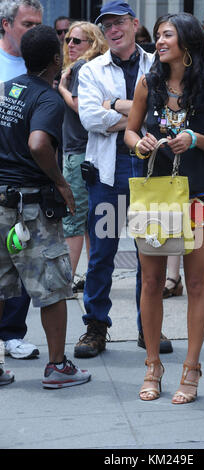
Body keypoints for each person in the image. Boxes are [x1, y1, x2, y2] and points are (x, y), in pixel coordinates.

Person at [124, 12, 204, 403]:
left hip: (197, 198)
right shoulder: (146, 83)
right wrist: (139, 144)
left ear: (187, 42)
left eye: (167, 35)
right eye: (159, 36)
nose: (159, 42)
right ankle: (152, 365)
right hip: (155, 196)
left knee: (197, 283)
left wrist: (194, 137)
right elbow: (130, 132)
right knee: (151, 283)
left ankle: (192, 368)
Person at [75, 0, 173, 358]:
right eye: (107, 25)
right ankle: (95, 327)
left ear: (134, 24)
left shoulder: (158, 63)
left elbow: (165, 116)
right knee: (102, 254)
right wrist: (138, 114)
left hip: (153, 173)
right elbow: (89, 119)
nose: (113, 30)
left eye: (119, 23)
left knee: (151, 252)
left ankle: (148, 327)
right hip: (108, 174)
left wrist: (113, 103)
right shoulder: (90, 70)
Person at [0, 24, 91, 388]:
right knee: (53, 287)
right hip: (30, 207)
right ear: (57, 59)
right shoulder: (49, 97)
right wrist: (60, 181)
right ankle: (57, 367)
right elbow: (40, 144)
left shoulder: (7, 90)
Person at [0, 0, 42, 360]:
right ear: (6, 23)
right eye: (28, 24)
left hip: (27, 181)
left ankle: (12, 333)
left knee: (22, 254)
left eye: (38, 25)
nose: (35, 32)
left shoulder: (42, 65)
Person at [58, 22, 108, 293]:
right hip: (89, 152)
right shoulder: (98, 67)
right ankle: (92, 277)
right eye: (68, 40)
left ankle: (67, 280)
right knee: (91, 220)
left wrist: (62, 88)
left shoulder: (79, 69)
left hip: (78, 152)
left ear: (92, 43)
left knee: (74, 218)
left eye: (77, 40)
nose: (70, 45)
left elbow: (79, 107)